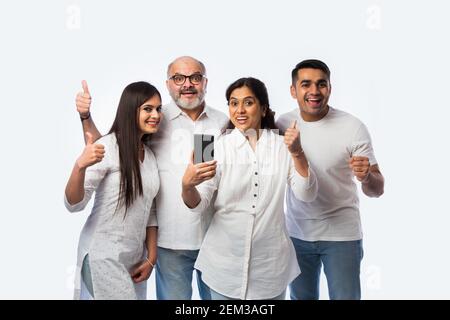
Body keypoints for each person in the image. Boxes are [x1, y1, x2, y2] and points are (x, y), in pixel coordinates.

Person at [76, 56, 228, 299]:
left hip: (213, 240)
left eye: (195, 77)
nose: (187, 84)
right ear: (168, 84)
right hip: (169, 243)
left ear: (205, 82)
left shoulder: (221, 122)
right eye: (179, 78)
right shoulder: (155, 117)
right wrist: (85, 116)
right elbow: (112, 145)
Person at [181, 77, 318, 300]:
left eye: (248, 102)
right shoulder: (207, 145)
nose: (240, 110)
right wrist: (187, 186)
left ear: (263, 108)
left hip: (271, 270)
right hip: (223, 267)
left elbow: (307, 194)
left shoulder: (285, 146)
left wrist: (297, 153)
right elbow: (199, 206)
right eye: (233, 103)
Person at [276, 59, 385, 300]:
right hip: (297, 234)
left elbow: (377, 189)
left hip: (342, 236)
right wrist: (203, 148)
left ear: (330, 88)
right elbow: (241, 131)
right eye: (306, 84)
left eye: (321, 84)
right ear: (293, 90)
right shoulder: (282, 124)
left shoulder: (352, 127)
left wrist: (366, 176)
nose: (314, 91)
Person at [65, 81, 162, 299]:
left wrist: (151, 258)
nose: (155, 115)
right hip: (103, 256)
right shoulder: (108, 147)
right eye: (148, 109)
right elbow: (73, 203)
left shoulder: (150, 156)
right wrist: (79, 166)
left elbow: (150, 210)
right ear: (130, 110)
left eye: (158, 109)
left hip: (134, 261)